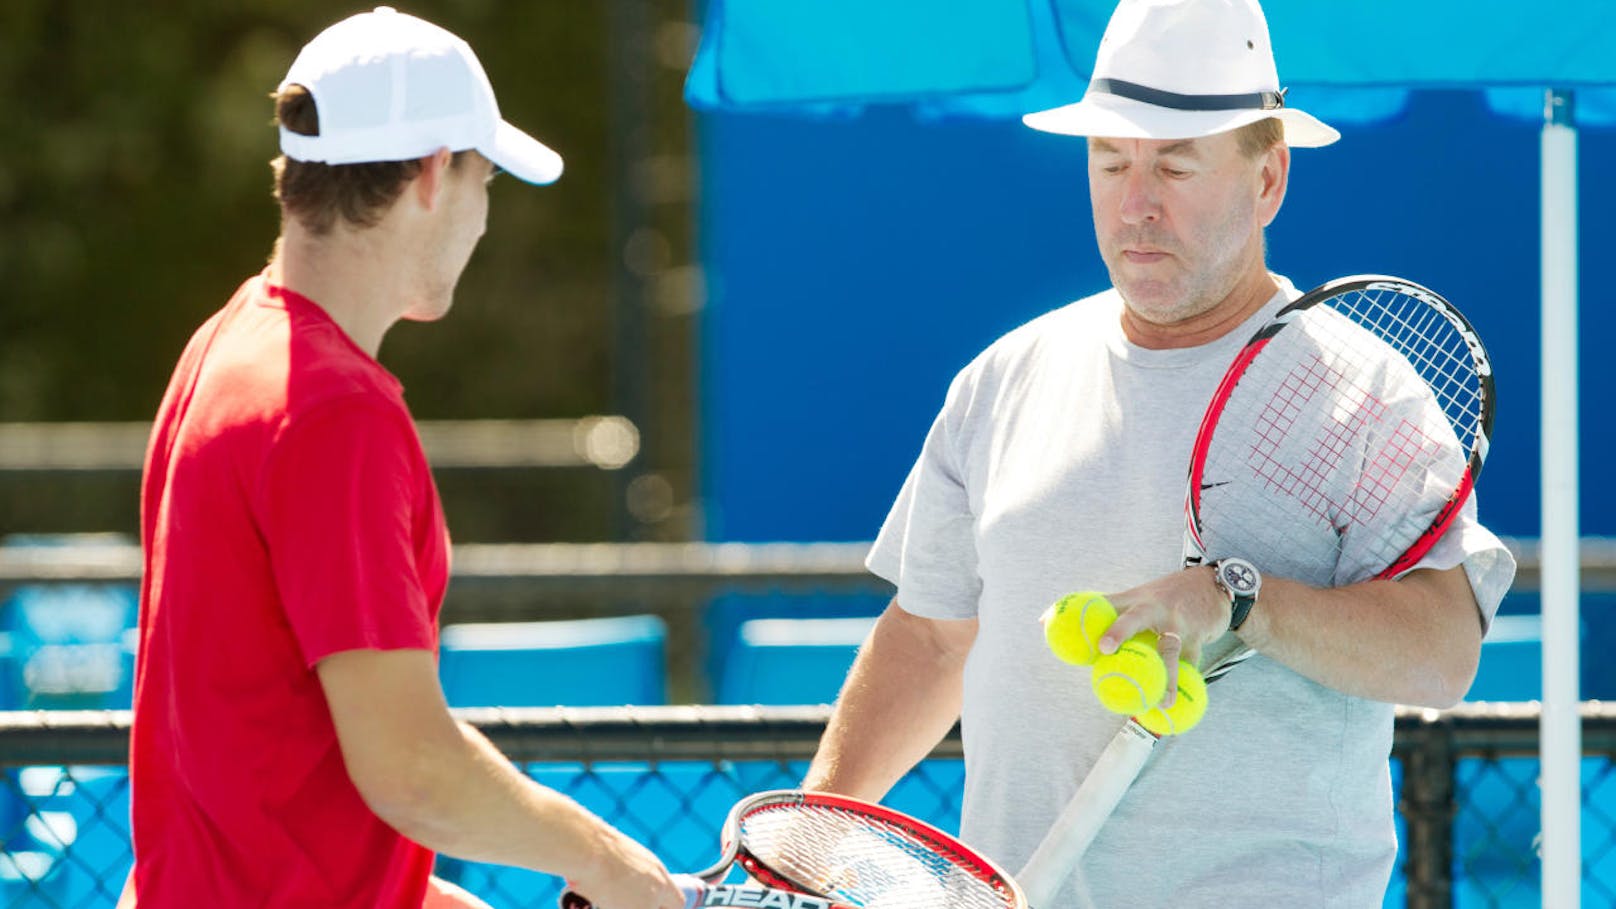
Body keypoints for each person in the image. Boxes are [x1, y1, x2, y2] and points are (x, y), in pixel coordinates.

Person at [801, 0, 1516, 905]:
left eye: (1176, 165)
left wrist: (1238, 599)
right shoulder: (1002, 378)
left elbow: (1441, 654)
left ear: (1269, 181)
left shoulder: (1368, 391)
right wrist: (811, 827)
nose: (1136, 203)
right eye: (1110, 162)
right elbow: (934, 636)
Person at [124, 8, 685, 908]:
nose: (485, 212)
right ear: (433, 173)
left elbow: (266, 772)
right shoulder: (334, 411)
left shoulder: (226, 347)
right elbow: (412, 768)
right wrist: (616, 865)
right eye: (486, 177)